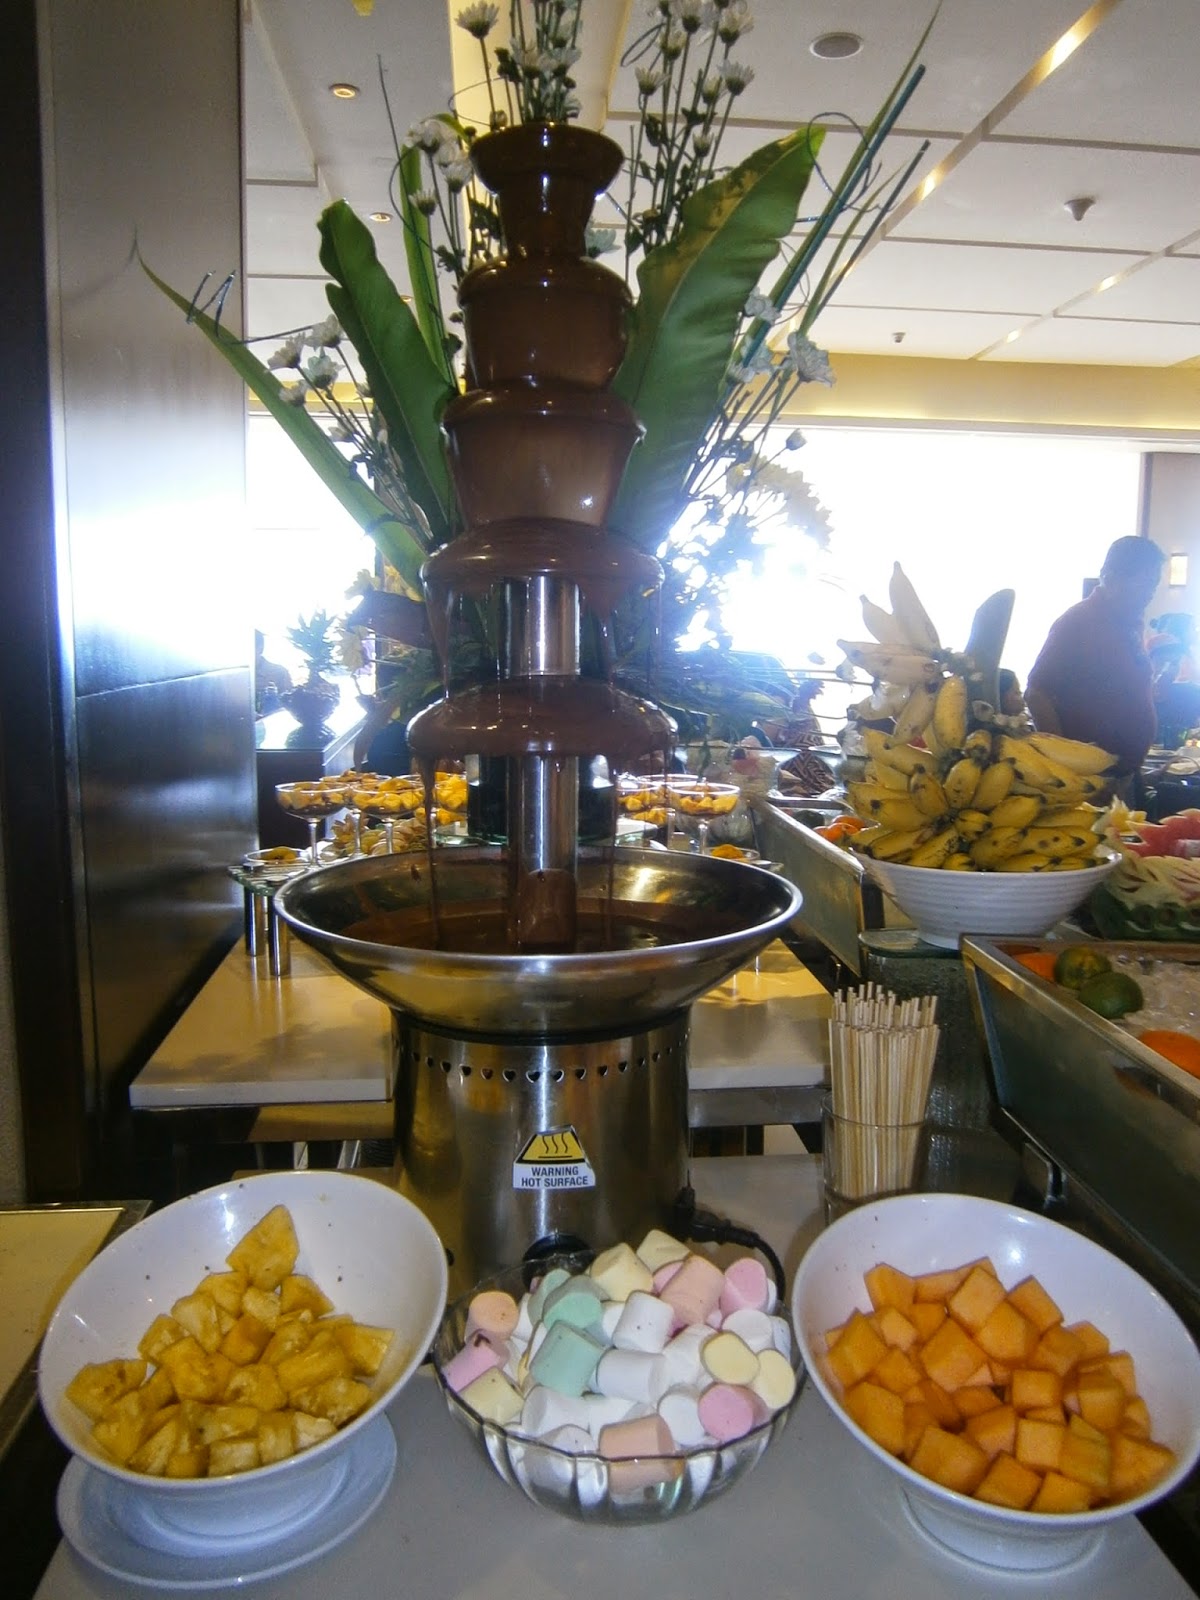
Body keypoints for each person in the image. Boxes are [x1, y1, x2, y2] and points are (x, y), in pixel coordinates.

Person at [1025, 536, 1165, 785]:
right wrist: (1066, 767)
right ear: (1111, 576)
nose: (1150, 593)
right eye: (1143, 582)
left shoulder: (1130, 623)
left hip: (1125, 772)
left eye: (1154, 584)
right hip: (1090, 779)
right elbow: (1036, 692)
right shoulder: (1078, 622)